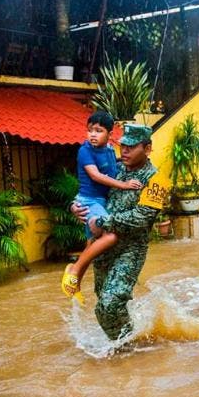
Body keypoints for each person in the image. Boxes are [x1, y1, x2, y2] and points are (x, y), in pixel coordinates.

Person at [70, 124, 167, 341]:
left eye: (131, 147)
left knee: (110, 302)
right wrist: (75, 206)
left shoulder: (156, 179)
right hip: (103, 248)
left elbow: (142, 217)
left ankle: (128, 350)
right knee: (102, 305)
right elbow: (89, 190)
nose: (124, 151)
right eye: (123, 146)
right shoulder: (113, 168)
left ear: (148, 148)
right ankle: (125, 346)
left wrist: (104, 222)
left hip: (130, 250)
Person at [61, 111, 143, 302]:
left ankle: (75, 283)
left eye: (98, 131)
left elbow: (114, 169)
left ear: (110, 134)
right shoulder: (85, 151)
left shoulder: (109, 152)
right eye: (90, 130)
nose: (93, 134)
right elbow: (96, 176)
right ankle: (74, 269)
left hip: (101, 202)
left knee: (91, 243)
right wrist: (124, 185)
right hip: (90, 201)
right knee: (110, 235)